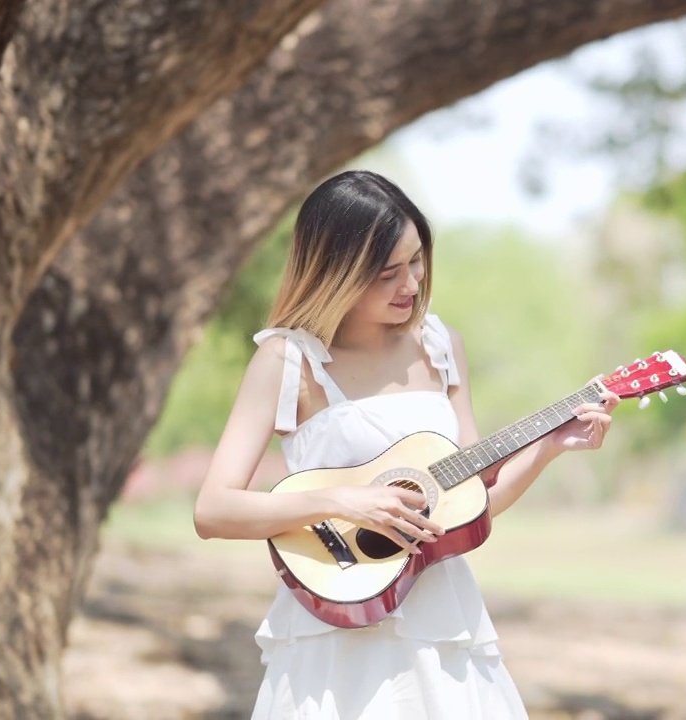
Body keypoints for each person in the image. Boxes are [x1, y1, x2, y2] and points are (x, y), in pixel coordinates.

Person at [193, 169, 620, 719]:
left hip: (440, 625)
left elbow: (473, 501)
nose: (411, 285)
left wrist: (551, 445)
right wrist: (342, 501)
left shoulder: (441, 348)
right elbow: (213, 509)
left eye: (417, 261)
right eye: (387, 272)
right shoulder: (287, 361)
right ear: (336, 271)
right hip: (333, 633)